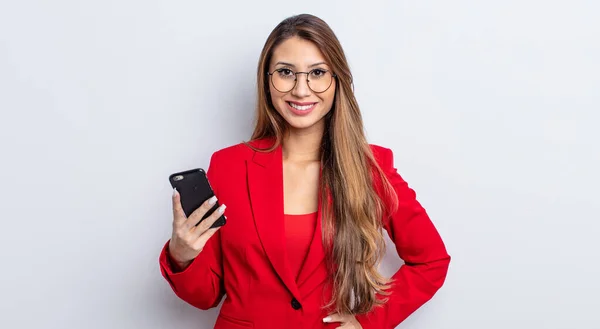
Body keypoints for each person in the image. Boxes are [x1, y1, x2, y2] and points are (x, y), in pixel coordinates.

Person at [159, 13, 450, 329]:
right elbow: (206, 296)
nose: (301, 89)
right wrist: (182, 255)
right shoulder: (228, 166)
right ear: (267, 79)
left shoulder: (370, 168)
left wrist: (369, 322)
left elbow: (431, 261)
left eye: (317, 72)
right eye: (286, 72)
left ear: (337, 80)